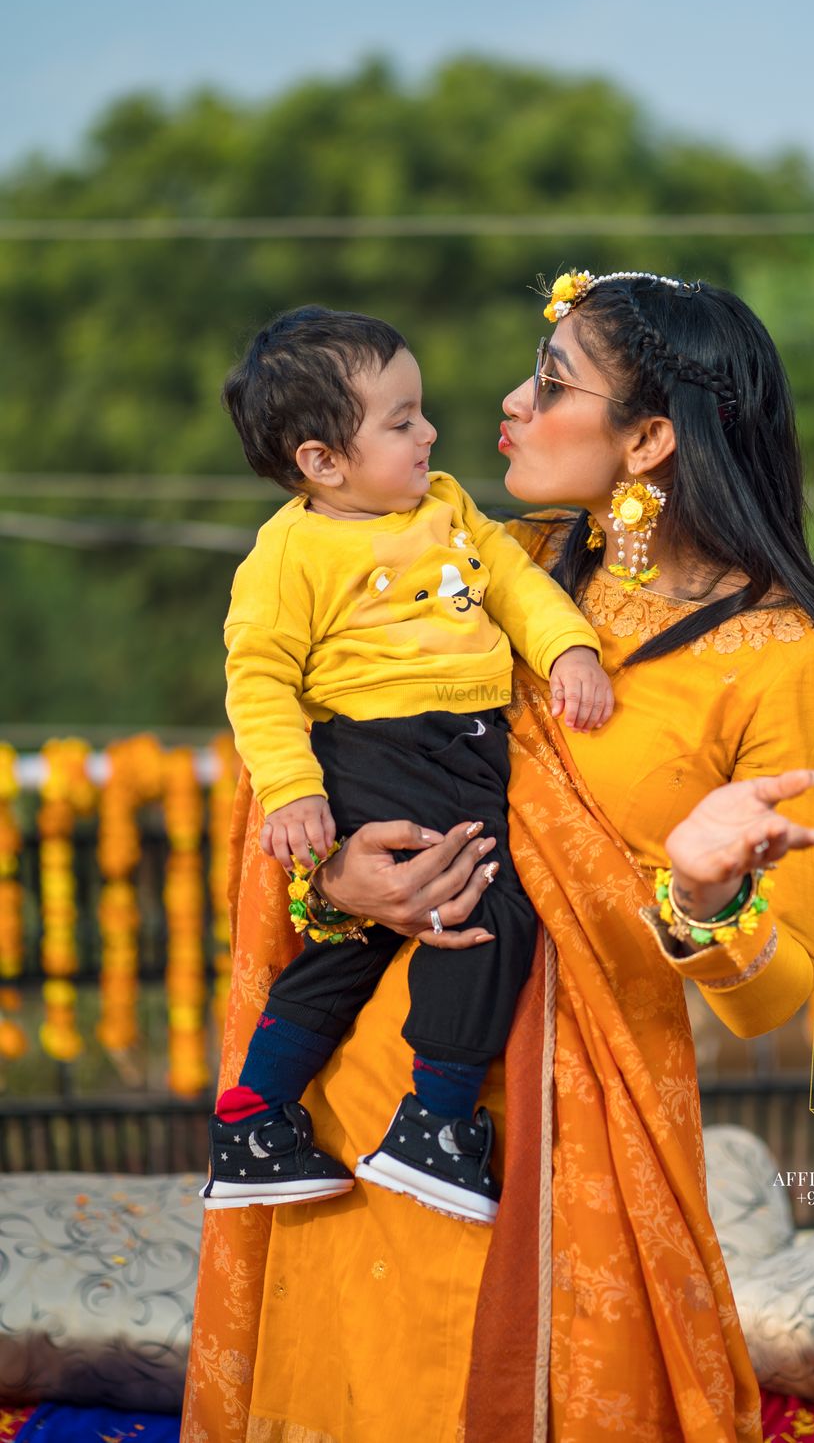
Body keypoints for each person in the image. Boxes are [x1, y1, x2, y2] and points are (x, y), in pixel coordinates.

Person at [182, 271, 814, 1443]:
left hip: (558, 1137)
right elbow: (284, 756)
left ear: (650, 439)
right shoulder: (466, 560)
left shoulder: (782, 664)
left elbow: (779, 993)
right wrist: (336, 879)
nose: (508, 401)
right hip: (357, 1087)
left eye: (553, 383)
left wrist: (705, 892)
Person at [201, 306, 613, 1224]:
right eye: (401, 420)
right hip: (379, 749)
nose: (430, 431)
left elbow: (515, 585)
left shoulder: (449, 507)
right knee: (485, 909)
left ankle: (254, 1115)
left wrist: (569, 653)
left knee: (354, 940)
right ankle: (437, 1118)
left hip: (465, 747)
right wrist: (294, 789)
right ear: (321, 461)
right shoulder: (291, 553)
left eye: (420, 411)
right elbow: (258, 676)